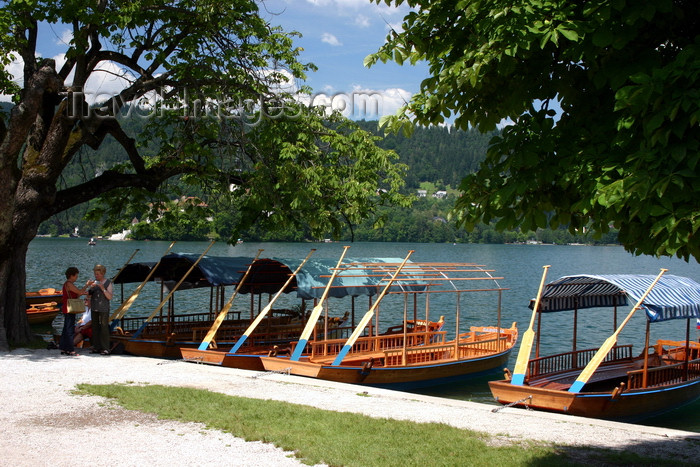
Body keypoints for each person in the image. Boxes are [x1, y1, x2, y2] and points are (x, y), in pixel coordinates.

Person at [59, 267, 90, 356]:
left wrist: (86, 286)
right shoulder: (69, 284)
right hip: (69, 308)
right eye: (76, 276)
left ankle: (64, 348)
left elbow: (78, 293)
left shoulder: (68, 284)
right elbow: (79, 292)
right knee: (69, 329)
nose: (77, 278)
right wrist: (87, 287)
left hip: (67, 308)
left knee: (66, 328)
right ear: (71, 275)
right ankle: (69, 349)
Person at [88, 264, 113, 355]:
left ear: (102, 274)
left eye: (98, 274)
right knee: (95, 327)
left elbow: (110, 297)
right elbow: (89, 295)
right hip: (94, 307)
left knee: (104, 327)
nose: (96, 276)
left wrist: (103, 289)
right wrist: (90, 288)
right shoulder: (95, 282)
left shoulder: (108, 283)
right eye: (95, 274)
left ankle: (106, 348)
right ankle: (96, 346)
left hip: (103, 308)